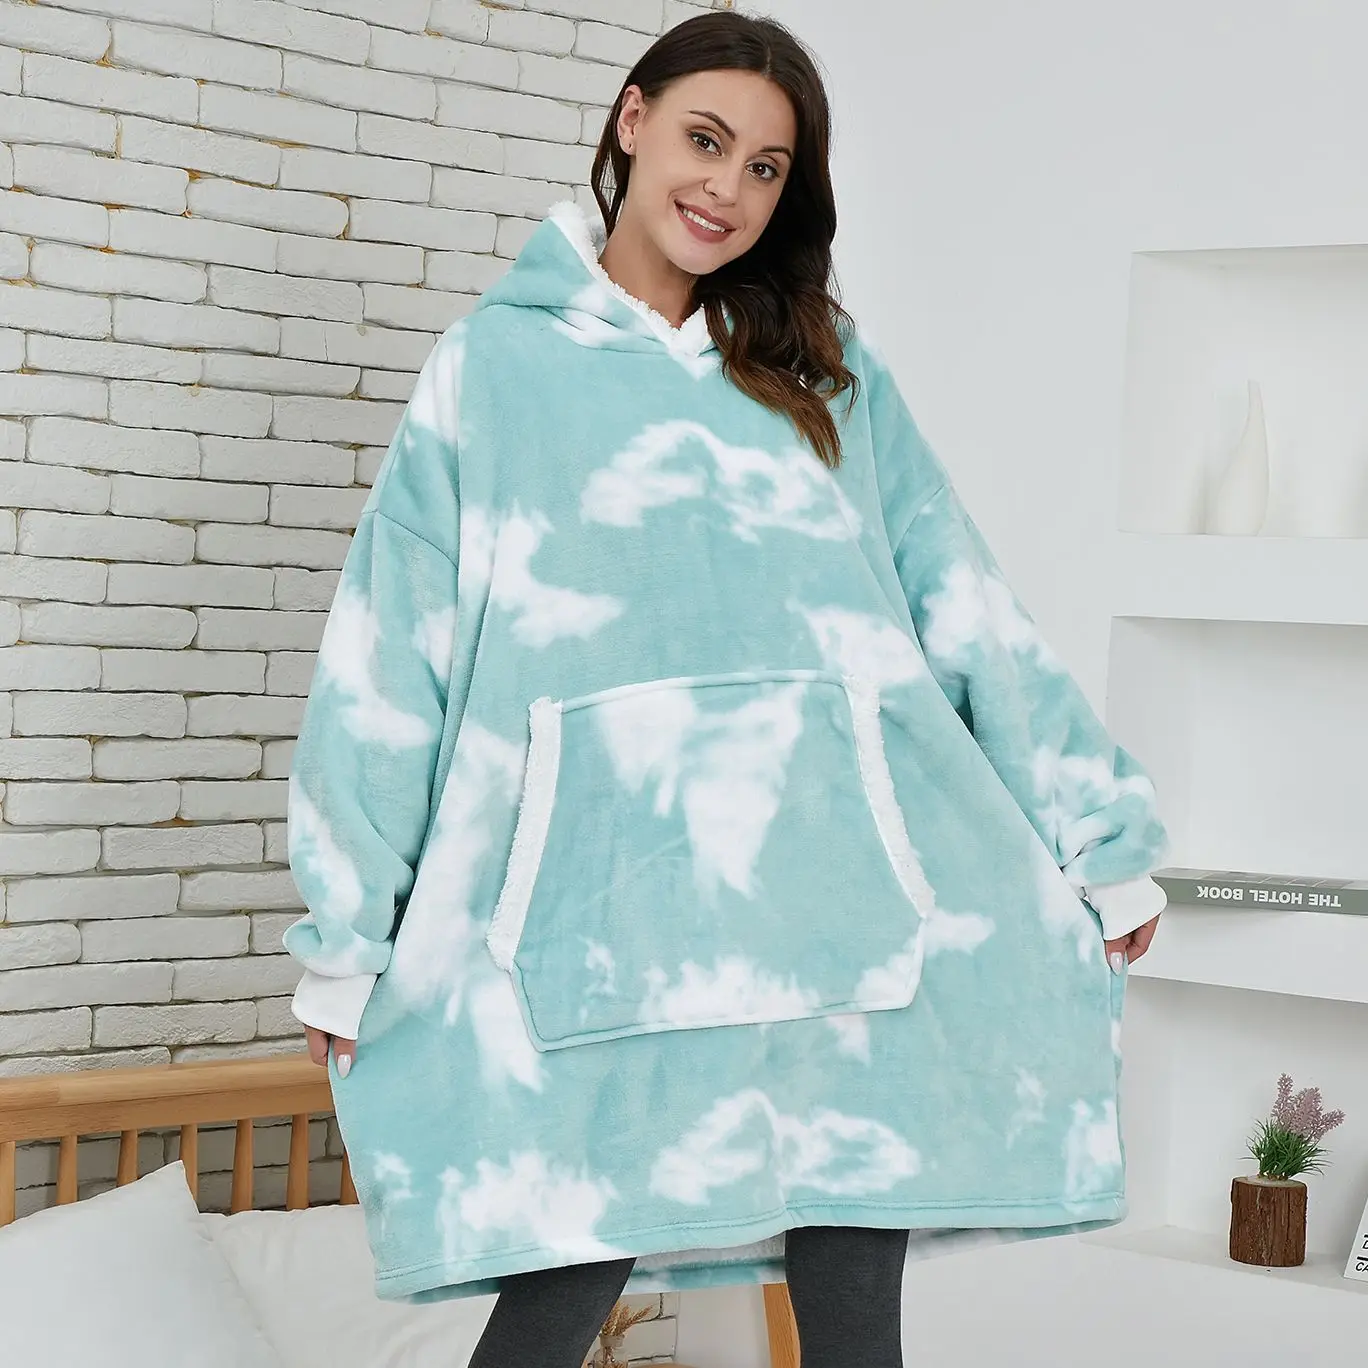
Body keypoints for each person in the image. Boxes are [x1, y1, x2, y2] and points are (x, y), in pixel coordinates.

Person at [282, 11, 1168, 1367]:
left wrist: (1098, 838)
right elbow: (391, 652)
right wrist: (348, 934)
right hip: (597, 915)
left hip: (828, 909)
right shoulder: (494, 370)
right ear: (632, 120)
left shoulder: (824, 372)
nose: (727, 189)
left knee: (853, 1295)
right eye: (706, 140)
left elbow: (961, 601)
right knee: (562, 1283)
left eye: (766, 167)